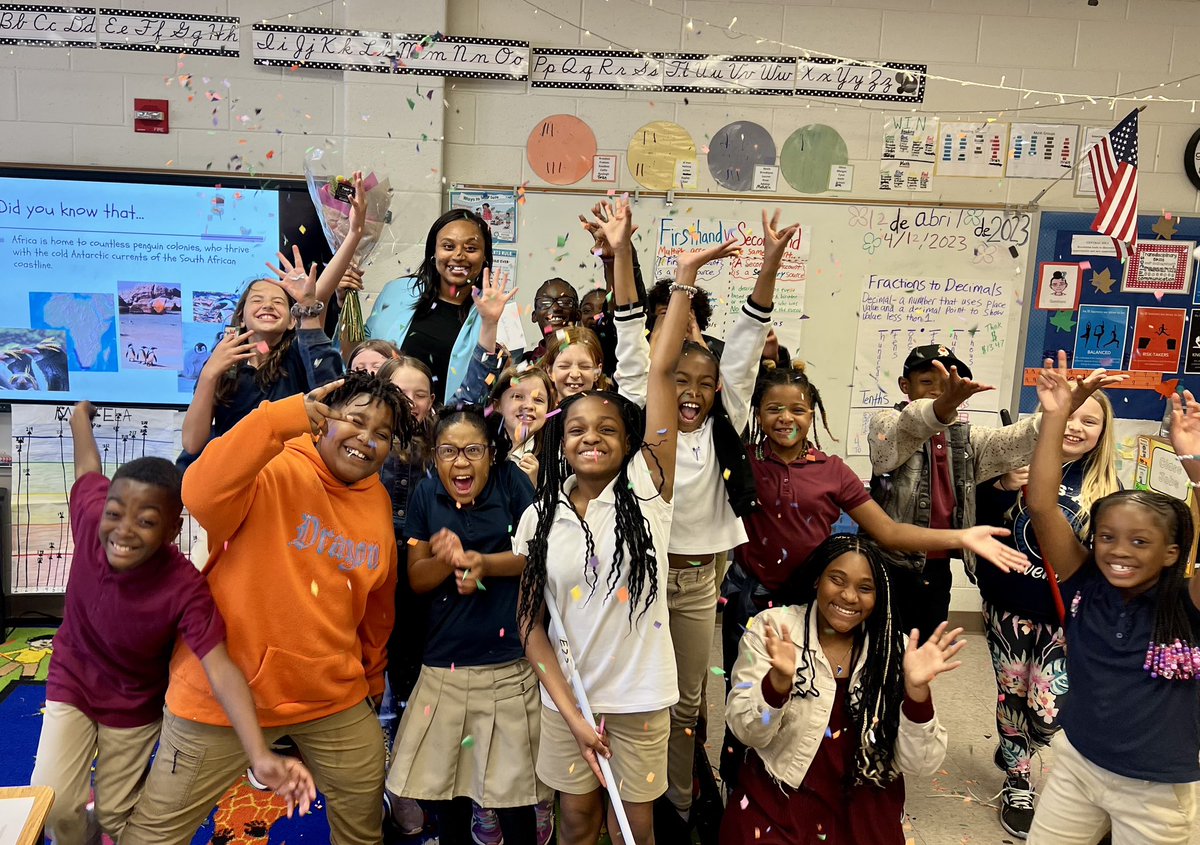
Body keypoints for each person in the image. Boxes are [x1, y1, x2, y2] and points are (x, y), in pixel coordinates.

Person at [121, 371, 415, 845]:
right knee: (155, 834)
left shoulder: (377, 499)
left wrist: (372, 677)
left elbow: (378, 602)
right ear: (322, 420)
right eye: (356, 420)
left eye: (382, 434)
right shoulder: (272, 466)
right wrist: (280, 419)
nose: (368, 439)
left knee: (364, 824)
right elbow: (197, 491)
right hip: (221, 696)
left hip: (331, 695)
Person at [718, 362, 1027, 788]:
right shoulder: (742, 462)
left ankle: (807, 787)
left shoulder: (833, 471)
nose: (786, 419)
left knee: (808, 699)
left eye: (798, 409)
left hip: (812, 605)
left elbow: (889, 530)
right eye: (773, 409)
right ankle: (739, 791)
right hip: (749, 598)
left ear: (813, 414)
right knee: (745, 702)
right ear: (757, 413)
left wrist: (961, 537)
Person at [32, 402, 313, 845]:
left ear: (172, 530)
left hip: (134, 707)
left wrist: (259, 753)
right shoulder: (90, 517)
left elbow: (220, 668)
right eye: (115, 513)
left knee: (115, 813)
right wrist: (79, 420)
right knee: (52, 805)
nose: (123, 531)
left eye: (145, 522)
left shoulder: (185, 587)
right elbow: (88, 467)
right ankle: (82, 834)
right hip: (72, 681)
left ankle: (101, 822)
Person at [616, 208, 798, 838]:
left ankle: (681, 805)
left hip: (695, 581)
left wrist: (769, 264)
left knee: (689, 701)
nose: (691, 392)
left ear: (721, 389)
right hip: (637, 577)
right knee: (642, 696)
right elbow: (635, 354)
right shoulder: (650, 412)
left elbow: (748, 340)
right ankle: (637, 793)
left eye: (706, 383)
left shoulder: (728, 414)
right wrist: (631, 259)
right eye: (681, 380)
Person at [514, 194, 686, 845]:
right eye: (577, 428)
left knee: (631, 826)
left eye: (607, 427)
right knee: (576, 819)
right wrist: (569, 710)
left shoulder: (648, 490)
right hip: (569, 700)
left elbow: (651, 372)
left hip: (639, 697)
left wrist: (621, 261)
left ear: (628, 436)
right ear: (560, 440)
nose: (590, 437)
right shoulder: (542, 513)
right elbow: (531, 623)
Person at [1023, 358, 1197, 845]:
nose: (1119, 551)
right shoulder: (1084, 583)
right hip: (1078, 766)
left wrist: (1195, 469)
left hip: (1156, 791)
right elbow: (1040, 505)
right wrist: (1056, 414)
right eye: (1107, 537)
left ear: (1172, 552)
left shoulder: (1188, 606)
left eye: (1140, 542)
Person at [721, 534, 961, 845]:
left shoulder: (893, 650)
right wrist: (777, 684)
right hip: (780, 798)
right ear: (817, 579)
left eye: (865, 588)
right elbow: (747, 732)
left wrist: (917, 694)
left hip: (864, 806)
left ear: (879, 597)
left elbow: (921, 764)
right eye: (837, 580)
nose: (849, 596)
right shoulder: (773, 629)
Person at [386, 407, 546, 845]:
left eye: (472, 450)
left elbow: (538, 556)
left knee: (514, 800)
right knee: (447, 794)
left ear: (491, 454)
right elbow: (417, 579)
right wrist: (446, 558)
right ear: (434, 457)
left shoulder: (513, 484)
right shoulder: (425, 494)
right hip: (444, 667)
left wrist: (482, 563)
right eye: (449, 451)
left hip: (509, 663)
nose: (461, 462)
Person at [868, 343, 1095, 640]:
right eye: (927, 382)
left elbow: (1012, 442)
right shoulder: (886, 423)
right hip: (887, 564)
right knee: (878, 651)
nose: (940, 391)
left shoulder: (965, 438)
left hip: (935, 571)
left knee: (923, 652)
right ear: (904, 385)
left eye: (950, 385)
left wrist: (1059, 411)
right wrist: (943, 406)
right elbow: (904, 430)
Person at [975, 388, 1120, 838]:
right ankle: (1019, 779)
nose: (1076, 426)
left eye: (1089, 421)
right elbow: (977, 523)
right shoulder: (1015, 465)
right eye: (1069, 415)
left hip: (1066, 616)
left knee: (1046, 708)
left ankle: (1018, 743)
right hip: (1009, 606)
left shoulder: (1105, 487)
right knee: (1011, 694)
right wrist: (1000, 488)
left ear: (1102, 433)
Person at [179, 173, 366, 462]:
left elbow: (321, 295)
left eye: (278, 301)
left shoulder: (297, 354)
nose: (268, 305)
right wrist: (209, 374)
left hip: (287, 472)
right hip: (234, 475)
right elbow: (192, 443)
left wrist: (354, 233)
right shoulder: (224, 364)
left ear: (292, 319)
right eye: (257, 300)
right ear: (240, 316)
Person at [365, 209, 499, 402]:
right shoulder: (396, 293)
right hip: (386, 419)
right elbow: (360, 355)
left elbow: (496, 389)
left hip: (450, 427)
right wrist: (344, 302)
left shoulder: (497, 312)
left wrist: (491, 323)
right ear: (433, 252)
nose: (459, 255)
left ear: (485, 256)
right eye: (448, 246)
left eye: (471, 248)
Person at [488, 365, 556, 488]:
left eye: (538, 400)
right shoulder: (482, 447)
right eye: (518, 396)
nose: (529, 406)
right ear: (497, 405)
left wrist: (532, 486)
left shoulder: (552, 458)